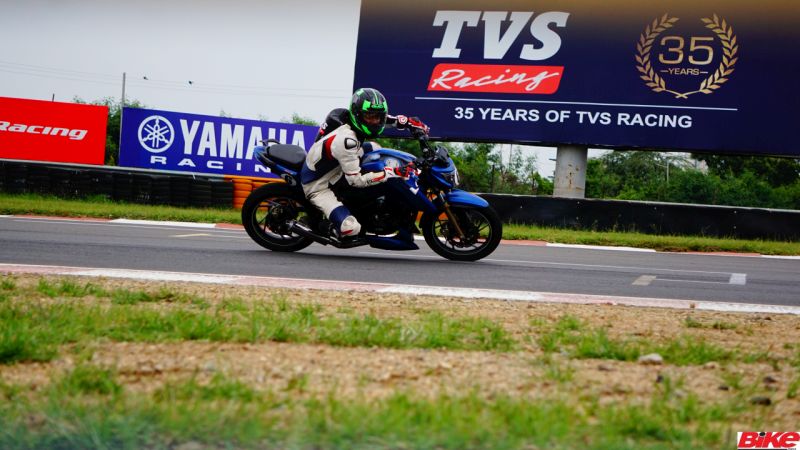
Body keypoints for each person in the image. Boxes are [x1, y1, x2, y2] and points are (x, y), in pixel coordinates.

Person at [300, 87, 429, 240]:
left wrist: (409, 123)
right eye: (369, 116)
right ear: (357, 114)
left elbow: (388, 119)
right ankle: (315, 224)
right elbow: (355, 181)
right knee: (351, 229)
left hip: (336, 164)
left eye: (378, 117)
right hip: (319, 184)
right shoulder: (348, 141)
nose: (375, 122)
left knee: (376, 149)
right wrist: (393, 172)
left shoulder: (345, 117)